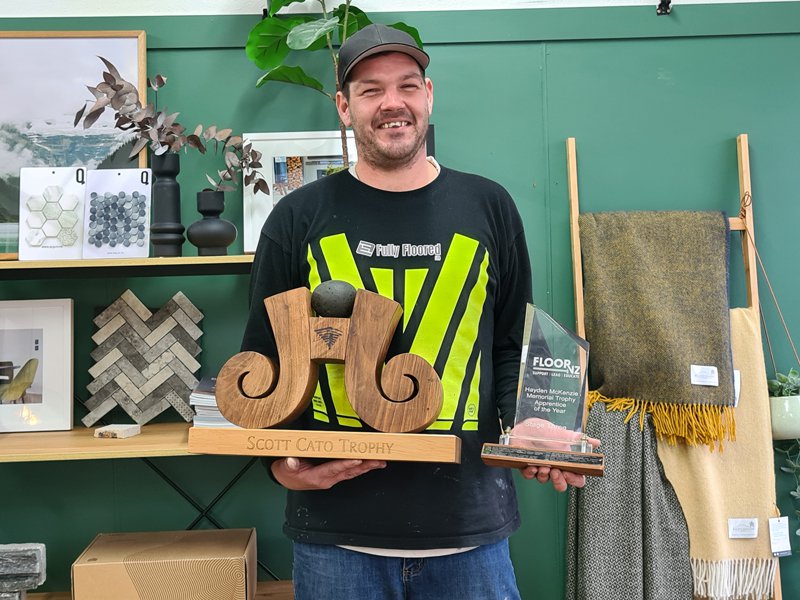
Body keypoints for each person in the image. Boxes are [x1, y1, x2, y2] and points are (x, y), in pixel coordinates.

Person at [241, 23, 589, 600]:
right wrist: (281, 464)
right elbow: (265, 359)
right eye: (371, 90)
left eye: (407, 85)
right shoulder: (298, 216)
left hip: (470, 535)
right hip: (336, 537)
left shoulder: (489, 206)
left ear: (428, 95)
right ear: (344, 107)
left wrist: (524, 427)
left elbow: (509, 343)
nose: (392, 103)